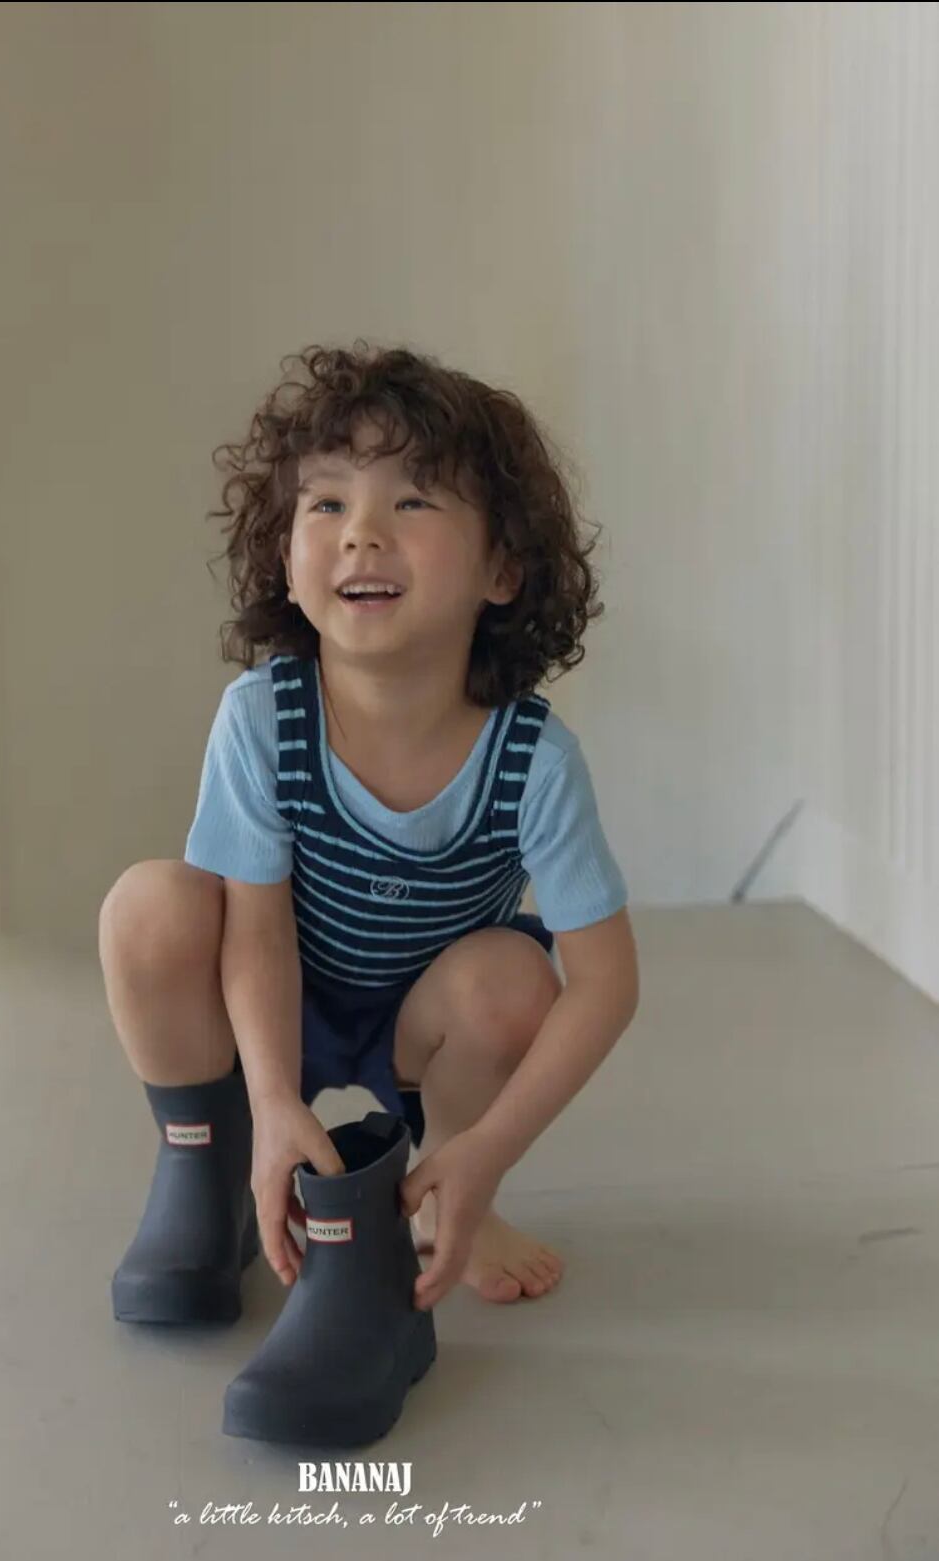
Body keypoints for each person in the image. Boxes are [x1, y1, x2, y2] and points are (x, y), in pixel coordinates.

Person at [100, 340, 639, 1313]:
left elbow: (605, 984)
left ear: (504, 568)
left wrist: (492, 1146)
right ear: (286, 559)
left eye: (414, 500)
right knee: (150, 906)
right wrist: (274, 1100)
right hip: (276, 1000)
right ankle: (206, 1168)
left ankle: (450, 1192)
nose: (361, 535)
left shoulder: (532, 760)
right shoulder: (264, 718)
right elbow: (256, 932)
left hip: (424, 1020)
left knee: (516, 981)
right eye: (327, 504)